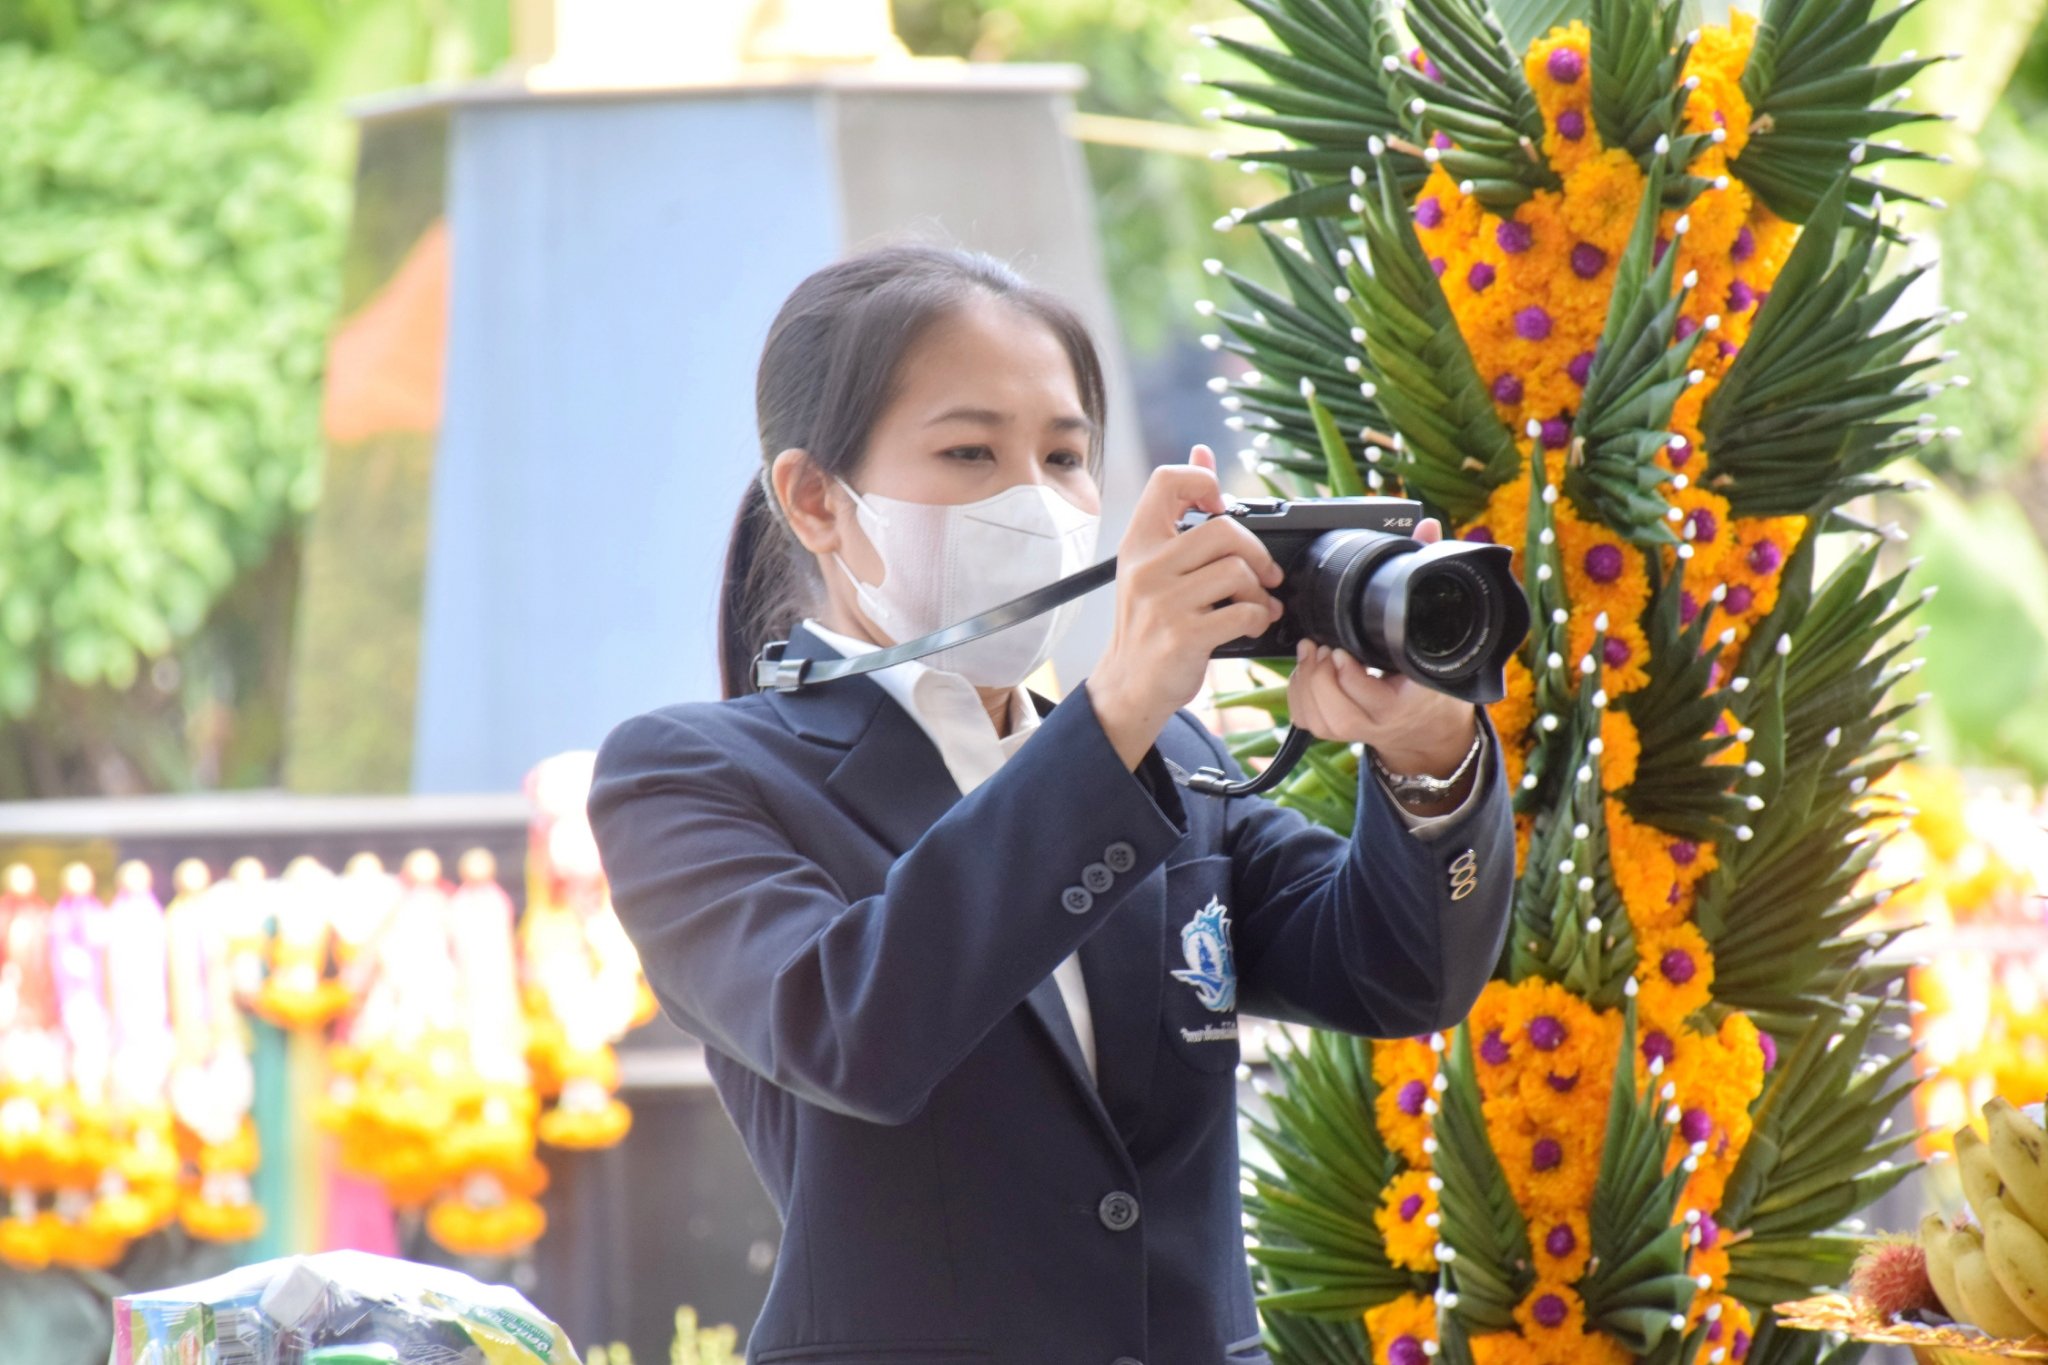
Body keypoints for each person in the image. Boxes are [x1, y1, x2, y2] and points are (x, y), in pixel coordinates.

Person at [587, 245, 1515, 1365]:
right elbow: (854, 1032)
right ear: (816, 500)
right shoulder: (690, 775)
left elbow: (1395, 971)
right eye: (970, 451)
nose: (1034, 498)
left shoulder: (1164, 754)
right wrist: (1114, 708)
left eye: (1065, 455)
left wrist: (1426, 754)